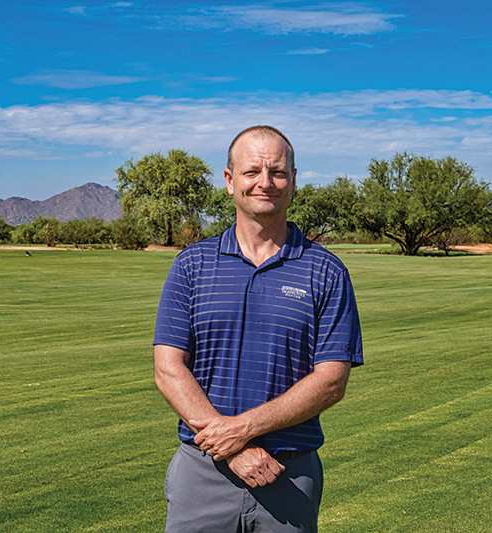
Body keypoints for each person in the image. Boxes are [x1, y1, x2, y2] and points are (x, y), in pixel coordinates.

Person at [153, 125, 363, 532]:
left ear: (294, 181)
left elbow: (331, 383)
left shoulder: (326, 271)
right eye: (252, 172)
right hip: (203, 474)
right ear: (230, 181)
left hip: (288, 475)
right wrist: (233, 449)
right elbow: (168, 369)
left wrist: (243, 431)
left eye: (278, 172)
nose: (265, 183)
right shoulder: (192, 266)